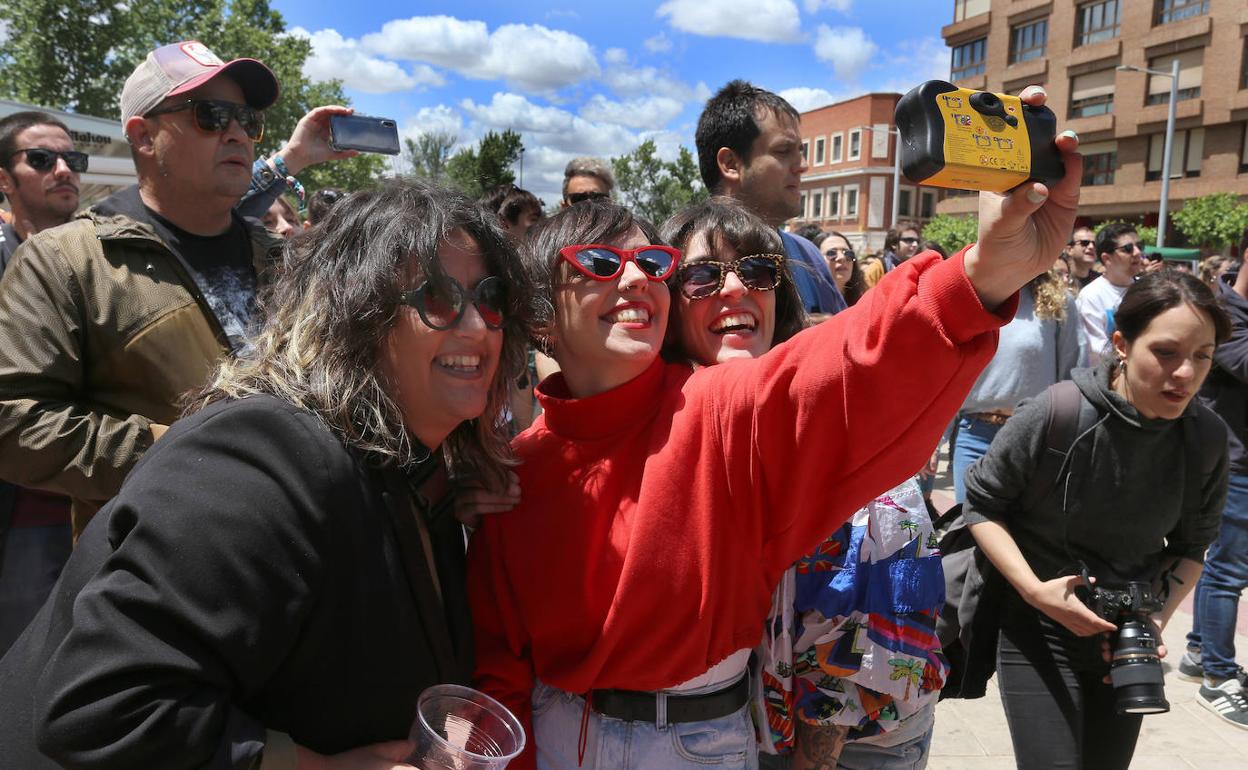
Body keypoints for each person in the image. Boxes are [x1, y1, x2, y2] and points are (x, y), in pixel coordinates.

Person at [468, 86, 1082, 770]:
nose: (638, 278)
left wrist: (986, 269)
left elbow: (847, 370)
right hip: (560, 736)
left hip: (695, 744)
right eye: (603, 264)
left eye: (654, 263)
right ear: (542, 313)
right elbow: (498, 662)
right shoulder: (513, 469)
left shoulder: (716, 410)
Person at [0, 179, 535, 769]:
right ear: (354, 313)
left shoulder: (415, 466)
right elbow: (104, 708)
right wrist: (309, 768)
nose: (479, 327)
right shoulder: (267, 454)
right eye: (436, 297)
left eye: (490, 298)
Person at [661, 199, 945, 769]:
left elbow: (860, 634)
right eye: (701, 275)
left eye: (758, 271)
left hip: (852, 739)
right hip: (749, 721)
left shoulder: (828, 414)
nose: (736, 289)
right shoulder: (675, 422)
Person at [0, 41, 281, 539]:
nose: (238, 133)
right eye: (211, 115)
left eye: (248, 119)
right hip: (158, 571)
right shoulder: (65, 260)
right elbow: (14, 423)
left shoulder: (287, 259)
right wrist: (180, 452)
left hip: (299, 554)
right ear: (144, 137)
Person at [964, 270, 1232, 769]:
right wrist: (1032, 589)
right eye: (1166, 352)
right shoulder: (1056, 413)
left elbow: (1193, 545)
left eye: (1202, 356)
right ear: (1121, 344)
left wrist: (1153, 622)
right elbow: (982, 505)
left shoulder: (1206, 439)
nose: (1185, 374)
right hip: (1038, 629)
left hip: (1125, 641)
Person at [0, 111, 87, 655]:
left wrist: (288, 163)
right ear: (3, 180)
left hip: (92, 507)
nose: (62, 169)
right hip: (21, 516)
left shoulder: (93, 250)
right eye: (41, 159)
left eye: (71, 160)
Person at [695, 80, 846, 317]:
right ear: (731, 164)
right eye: (783, 151)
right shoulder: (678, 261)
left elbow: (845, 341)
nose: (803, 166)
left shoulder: (808, 256)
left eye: (801, 151)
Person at [1180, 227, 1248, 728]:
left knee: (1223, 565)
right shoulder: (1223, 316)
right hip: (1234, 464)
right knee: (1227, 571)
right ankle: (1218, 677)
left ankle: (1201, 650)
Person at [949, 269, 1084, 503]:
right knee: (966, 529)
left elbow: (1072, 375)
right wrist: (934, 439)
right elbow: (951, 378)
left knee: (1018, 534)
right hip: (974, 436)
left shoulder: (1059, 302)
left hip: (1033, 439)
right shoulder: (972, 298)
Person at [1076, 222, 1144, 366]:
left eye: (1140, 246)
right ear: (1107, 258)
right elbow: (1097, 351)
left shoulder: (1147, 289)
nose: (1137, 252)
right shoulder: (1090, 296)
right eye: (1128, 248)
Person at [814, 230, 867, 306]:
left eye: (848, 253)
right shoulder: (806, 303)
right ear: (815, 259)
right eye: (831, 253)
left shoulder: (864, 302)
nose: (842, 257)